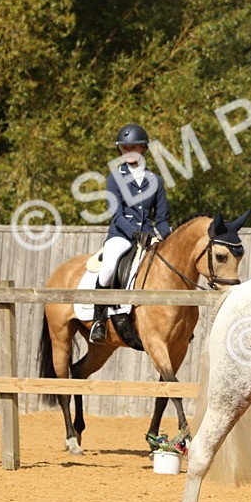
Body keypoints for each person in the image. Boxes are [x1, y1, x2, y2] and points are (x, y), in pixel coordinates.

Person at [90, 123, 172, 344]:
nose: (129, 152)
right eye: (125, 149)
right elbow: (116, 214)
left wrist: (166, 237)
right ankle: (99, 320)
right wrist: (135, 233)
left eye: (133, 147)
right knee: (107, 269)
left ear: (143, 149)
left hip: (147, 237)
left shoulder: (156, 180)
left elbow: (162, 219)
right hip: (121, 235)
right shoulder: (114, 178)